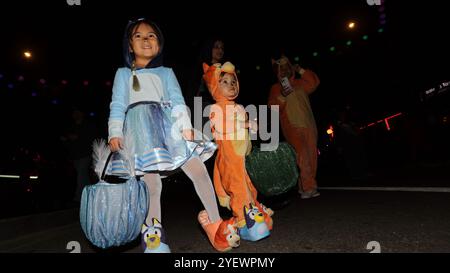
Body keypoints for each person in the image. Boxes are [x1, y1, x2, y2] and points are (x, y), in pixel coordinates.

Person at [107, 18, 240, 253]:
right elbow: (117, 105)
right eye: (138, 36)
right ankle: (153, 233)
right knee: (152, 184)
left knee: (198, 169)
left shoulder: (166, 72)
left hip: (170, 128)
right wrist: (114, 132)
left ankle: (216, 223)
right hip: (140, 133)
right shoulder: (122, 74)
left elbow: (177, 100)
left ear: (159, 44)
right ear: (129, 46)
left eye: (151, 36)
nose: (146, 39)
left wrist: (185, 125)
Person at [203, 61, 273, 241]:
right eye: (224, 82)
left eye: (233, 81)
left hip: (243, 157)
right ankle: (245, 223)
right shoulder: (215, 108)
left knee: (250, 186)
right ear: (214, 87)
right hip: (229, 159)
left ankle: (256, 214)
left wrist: (251, 128)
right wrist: (245, 124)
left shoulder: (240, 108)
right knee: (238, 189)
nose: (231, 85)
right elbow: (221, 125)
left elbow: (244, 133)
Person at [268, 56, 321, 199]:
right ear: (277, 72)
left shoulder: (300, 83)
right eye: (281, 68)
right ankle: (309, 187)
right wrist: (283, 96)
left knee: (311, 157)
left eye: (287, 67)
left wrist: (301, 70)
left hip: (309, 125)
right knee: (302, 156)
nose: (285, 70)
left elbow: (314, 83)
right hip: (292, 127)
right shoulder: (276, 88)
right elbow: (273, 107)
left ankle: (303, 185)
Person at [61, 107, 98, 203]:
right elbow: (68, 141)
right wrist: (66, 140)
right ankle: (92, 195)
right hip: (75, 156)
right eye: (74, 113)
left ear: (81, 114)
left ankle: (78, 198)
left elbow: (91, 139)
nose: (75, 115)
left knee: (81, 175)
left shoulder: (87, 125)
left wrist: (78, 137)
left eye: (77, 112)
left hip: (85, 154)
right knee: (83, 176)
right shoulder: (71, 126)